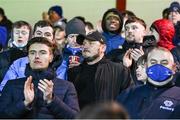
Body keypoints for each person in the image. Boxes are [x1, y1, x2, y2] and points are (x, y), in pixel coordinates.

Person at [0, 37, 79, 118]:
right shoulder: (11, 85)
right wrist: (24, 103)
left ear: (51, 57)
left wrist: (51, 100)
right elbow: (2, 115)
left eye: (42, 52)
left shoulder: (67, 86)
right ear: (28, 57)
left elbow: (75, 118)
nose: (37, 56)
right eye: (32, 52)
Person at [68, 31, 131, 109]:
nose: (86, 46)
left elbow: (129, 99)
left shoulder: (119, 70)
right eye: (84, 43)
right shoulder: (74, 71)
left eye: (91, 43)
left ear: (103, 48)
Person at [117, 47, 180, 119]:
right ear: (146, 66)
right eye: (153, 62)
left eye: (164, 62)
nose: (158, 66)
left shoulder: (178, 96)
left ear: (174, 68)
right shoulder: (129, 94)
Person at [0, 20, 62, 91]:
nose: (43, 37)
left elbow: (61, 89)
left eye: (47, 34)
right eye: (39, 33)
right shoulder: (18, 63)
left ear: (53, 39)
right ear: (33, 36)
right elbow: (4, 89)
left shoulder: (62, 64)